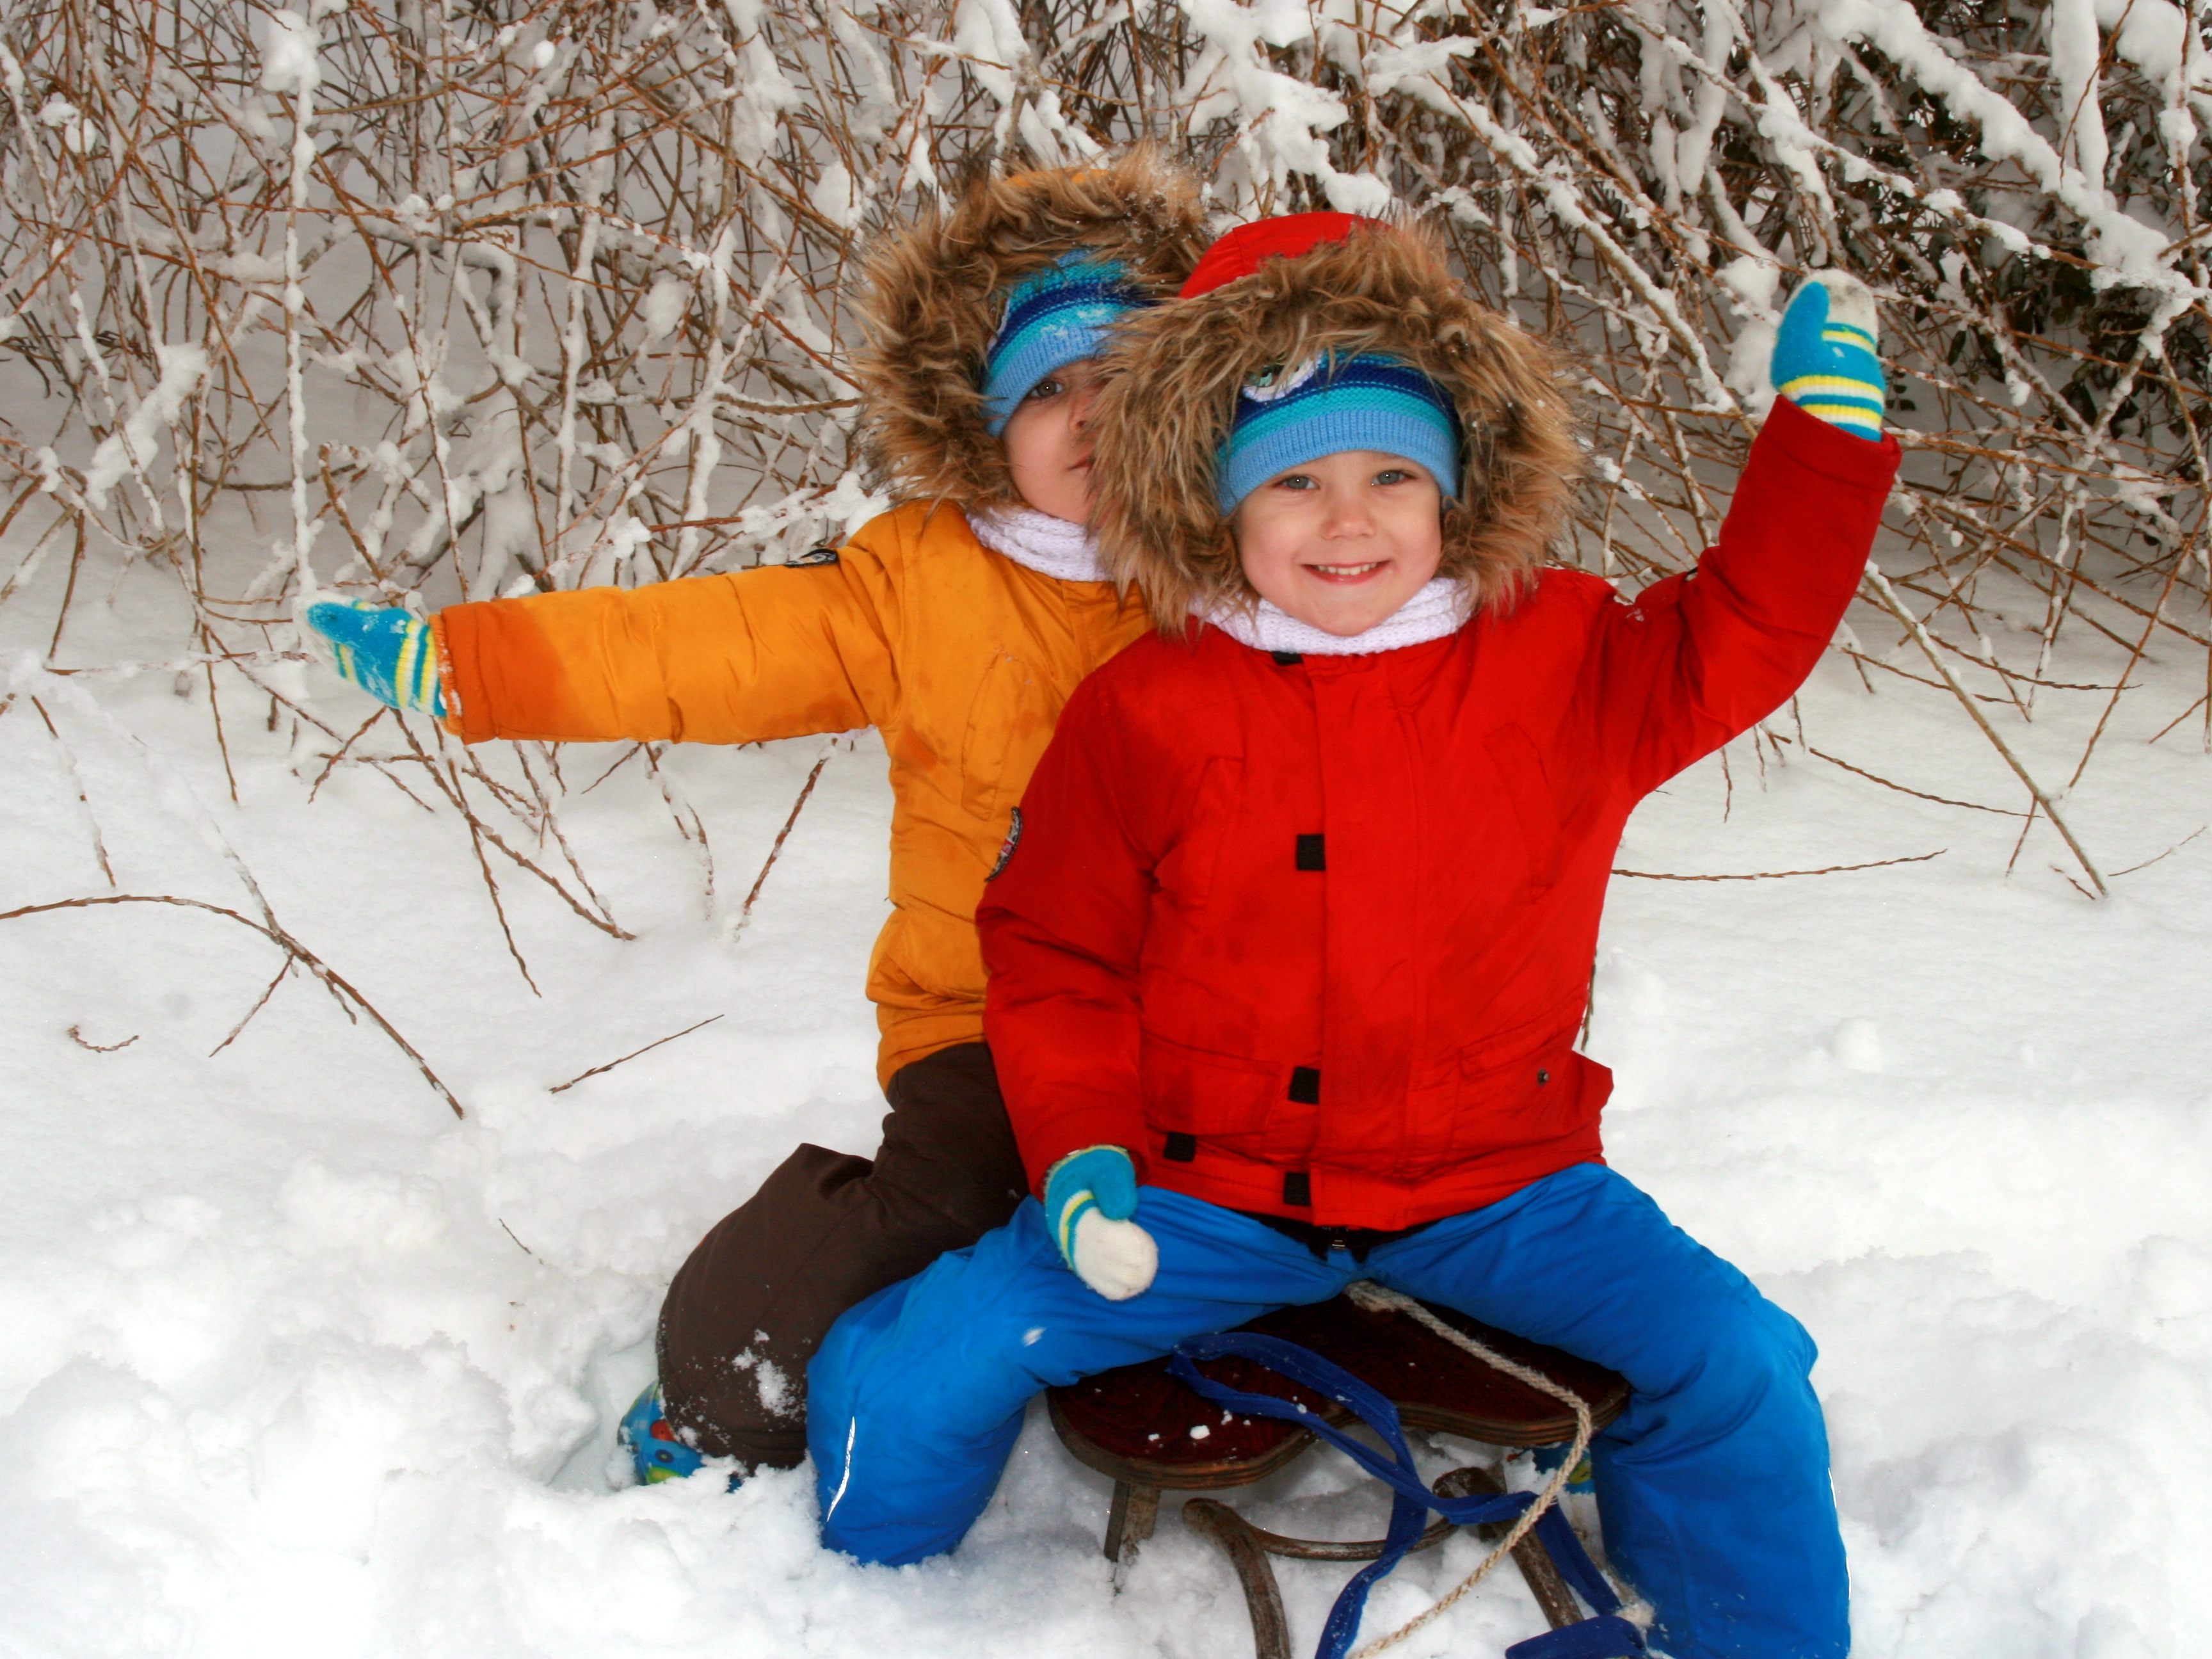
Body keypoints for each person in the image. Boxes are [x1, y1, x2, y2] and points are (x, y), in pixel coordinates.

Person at [804, 213, 1897, 1659]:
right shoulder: (1148, 709)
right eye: (1297, 481)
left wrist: (1820, 449)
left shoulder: (1566, 661)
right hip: (1208, 1193)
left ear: (1458, 489)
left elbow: (1748, 625)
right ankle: (856, 1600)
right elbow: (1056, 952)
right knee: (929, 1353)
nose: (1349, 519)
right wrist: (1078, 1159)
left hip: (1503, 1188)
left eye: (1393, 474)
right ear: (1216, 504)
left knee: (1744, 1362)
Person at [302, 152, 1208, 1479]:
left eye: (1122, 379)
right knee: (956, 1199)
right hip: (988, 1009)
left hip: (1220, 1010)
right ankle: (723, 1379)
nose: (1088, 417)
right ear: (984, 421)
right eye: (1049, 388)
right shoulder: (919, 585)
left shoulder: (1259, 562)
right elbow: (706, 646)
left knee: (1298, 1206)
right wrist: (482, 663)